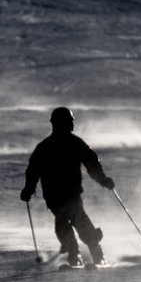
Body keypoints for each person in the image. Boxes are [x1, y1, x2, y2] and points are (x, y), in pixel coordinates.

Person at [21, 107, 115, 267]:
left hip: (67, 194)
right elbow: (33, 171)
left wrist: (103, 180)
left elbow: (91, 163)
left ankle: (92, 253)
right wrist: (28, 189)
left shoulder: (60, 145)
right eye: (68, 122)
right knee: (67, 223)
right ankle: (77, 253)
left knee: (73, 221)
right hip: (55, 196)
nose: (70, 125)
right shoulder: (54, 146)